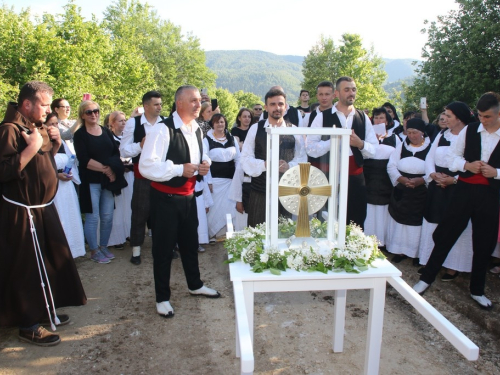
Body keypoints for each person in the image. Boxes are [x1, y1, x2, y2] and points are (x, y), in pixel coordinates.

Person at [0, 81, 86, 346]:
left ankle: (44, 308)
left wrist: (55, 145)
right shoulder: (9, 130)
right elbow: (4, 172)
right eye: (45, 105)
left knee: (48, 261)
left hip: (43, 208)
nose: (50, 109)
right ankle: (28, 324)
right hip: (21, 212)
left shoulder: (35, 128)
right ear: (27, 104)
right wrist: (32, 147)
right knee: (26, 268)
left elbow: (41, 166)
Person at [139, 85, 221, 318]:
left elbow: (201, 155)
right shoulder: (161, 130)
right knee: (163, 250)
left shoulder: (197, 128)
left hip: (188, 197)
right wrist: (178, 169)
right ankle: (162, 298)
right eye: (193, 101)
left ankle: (194, 284)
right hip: (164, 199)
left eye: (199, 100)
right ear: (179, 104)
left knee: (190, 244)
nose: (199, 104)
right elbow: (146, 166)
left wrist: (206, 164)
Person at [414, 92, 500, 309]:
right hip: (464, 191)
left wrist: (496, 172)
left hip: (490, 195)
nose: (482, 120)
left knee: (483, 242)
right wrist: (466, 166)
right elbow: (453, 157)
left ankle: (477, 290)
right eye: (480, 115)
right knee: (446, 234)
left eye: (487, 116)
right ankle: (426, 279)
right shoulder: (470, 130)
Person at [307, 76, 378, 229]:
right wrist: (332, 142)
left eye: (353, 89)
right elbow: (310, 148)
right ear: (337, 94)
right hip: (327, 176)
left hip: (355, 177)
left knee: (355, 220)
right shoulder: (321, 117)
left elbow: (374, 150)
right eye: (347, 90)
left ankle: (350, 250)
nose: (351, 93)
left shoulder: (363, 117)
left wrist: (360, 144)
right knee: (324, 220)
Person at [418, 102, 475, 280]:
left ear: (459, 118)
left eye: (449, 116)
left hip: (459, 186)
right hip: (437, 184)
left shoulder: (471, 136)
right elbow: (430, 157)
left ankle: (453, 266)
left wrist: (454, 180)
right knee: (433, 222)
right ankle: (430, 261)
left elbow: (473, 163)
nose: (445, 119)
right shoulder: (443, 134)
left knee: (454, 225)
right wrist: (433, 175)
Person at [241, 88, 307, 227]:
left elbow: (302, 159)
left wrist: (290, 166)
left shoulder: (294, 130)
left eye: (280, 104)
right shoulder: (255, 129)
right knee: (256, 234)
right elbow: (245, 159)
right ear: (266, 107)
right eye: (272, 104)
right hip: (260, 191)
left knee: (283, 233)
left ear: (286, 106)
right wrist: (265, 165)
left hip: (285, 192)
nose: (277, 108)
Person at [74, 101, 127, 264]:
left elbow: (114, 152)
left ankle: (103, 246)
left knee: (107, 215)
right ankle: (94, 250)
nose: (93, 114)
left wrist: (111, 170)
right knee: (93, 217)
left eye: (96, 111)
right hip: (91, 180)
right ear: (83, 115)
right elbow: (84, 160)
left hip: (107, 180)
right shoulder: (80, 134)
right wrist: (106, 169)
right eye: (89, 112)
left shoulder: (105, 131)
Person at [120, 91, 165, 265]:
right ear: (146, 106)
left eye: (160, 104)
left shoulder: (165, 123)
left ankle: (163, 247)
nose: (159, 107)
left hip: (162, 173)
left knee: (162, 212)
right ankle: (136, 250)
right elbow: (123, 151)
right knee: (140, 210)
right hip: (143, 172)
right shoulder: (134, 123)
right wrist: (140, 145)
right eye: (156, 104)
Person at [385, 118, 431, 264]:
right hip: (402, 188)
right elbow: (391, 165)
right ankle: (399, 250)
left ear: (422, 133)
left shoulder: (430, 148)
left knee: (416, 222)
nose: (411, 136)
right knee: (400, 220)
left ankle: (415, 253)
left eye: (415, 133)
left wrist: (422, 180)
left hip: (420, 191)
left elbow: (434, 169)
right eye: (409, 132)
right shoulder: (402, 147)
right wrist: (401, 179)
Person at [45, 113, 86, 258]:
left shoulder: (62, 142)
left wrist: (69, 173)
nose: (55, 127)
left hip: (67, 187)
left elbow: (72, 159)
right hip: (52, 188)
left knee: (69, 217)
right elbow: (40, 168)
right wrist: (56, 175)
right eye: (51, 124)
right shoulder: (42, 143)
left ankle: (72, 251)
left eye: (57, 124)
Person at [363, 107, 401, 248]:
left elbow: (398, 158)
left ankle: (382, 242)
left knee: (383, 210)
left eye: (382, 118)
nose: (378, 120)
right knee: (369, 209)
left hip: (385, 179)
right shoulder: (367, 137)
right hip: (369, 177)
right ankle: (366, 239)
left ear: (388, 121)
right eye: (376, 118)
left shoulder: (394, 138)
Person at [204, 113, 242, 238]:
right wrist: (208, 181)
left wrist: (238, 178)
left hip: (231, 180)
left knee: (229, 206)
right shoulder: (207, 140)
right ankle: (212, 234)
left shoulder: (231, 138)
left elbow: (238, 159)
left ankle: (226, 234)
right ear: (212, 125)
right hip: (215, 181)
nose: (220, 124)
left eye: (222, 122)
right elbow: (205, 161)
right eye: (217, 122)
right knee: (214, 209)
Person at [107, 111, 134, 250]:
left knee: (128, 205)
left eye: (125, 120)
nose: (123, 123)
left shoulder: (127, 137)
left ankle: (128, 233)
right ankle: (116, 237)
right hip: (117, 175)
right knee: (118, 206)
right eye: (120, 121)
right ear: (112, 123)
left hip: (129, 174)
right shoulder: (109, 138)